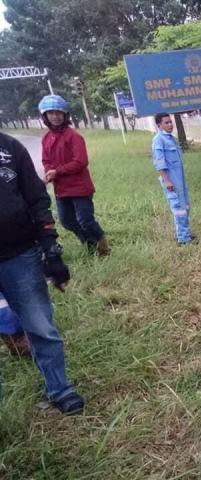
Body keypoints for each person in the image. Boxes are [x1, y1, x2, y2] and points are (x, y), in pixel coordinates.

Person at [0, 131, 85, 414]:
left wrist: (51, 249)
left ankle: (60, 390)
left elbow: (37, 198)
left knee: (40, 326)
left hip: (19, 255)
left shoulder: (10, 148)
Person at [39, 95, 110, 256]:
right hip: (61, 188)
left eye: (59, 113)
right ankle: (89, 243)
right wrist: (50, 171)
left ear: (65, 115)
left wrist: (58, 171)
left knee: (85, 220)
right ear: (45, 116)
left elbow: (81, 161)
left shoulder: (73, 136)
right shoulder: (46, 138)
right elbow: (46, 160)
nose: (55, 117)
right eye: (51, 113)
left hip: (79, 187)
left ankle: (103, 245)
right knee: (67, 221)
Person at [152, 113, 195, 245]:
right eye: (166, 123)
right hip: (170, 180)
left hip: (179, 179)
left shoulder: (171, 139)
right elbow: (159, 162)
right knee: (179, 208)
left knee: (185, 206)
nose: (170, 125)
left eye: (170, 122)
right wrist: (166, 180)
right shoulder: (158, 140)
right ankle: (183, 239)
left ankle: (185, 234)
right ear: (159, 125)